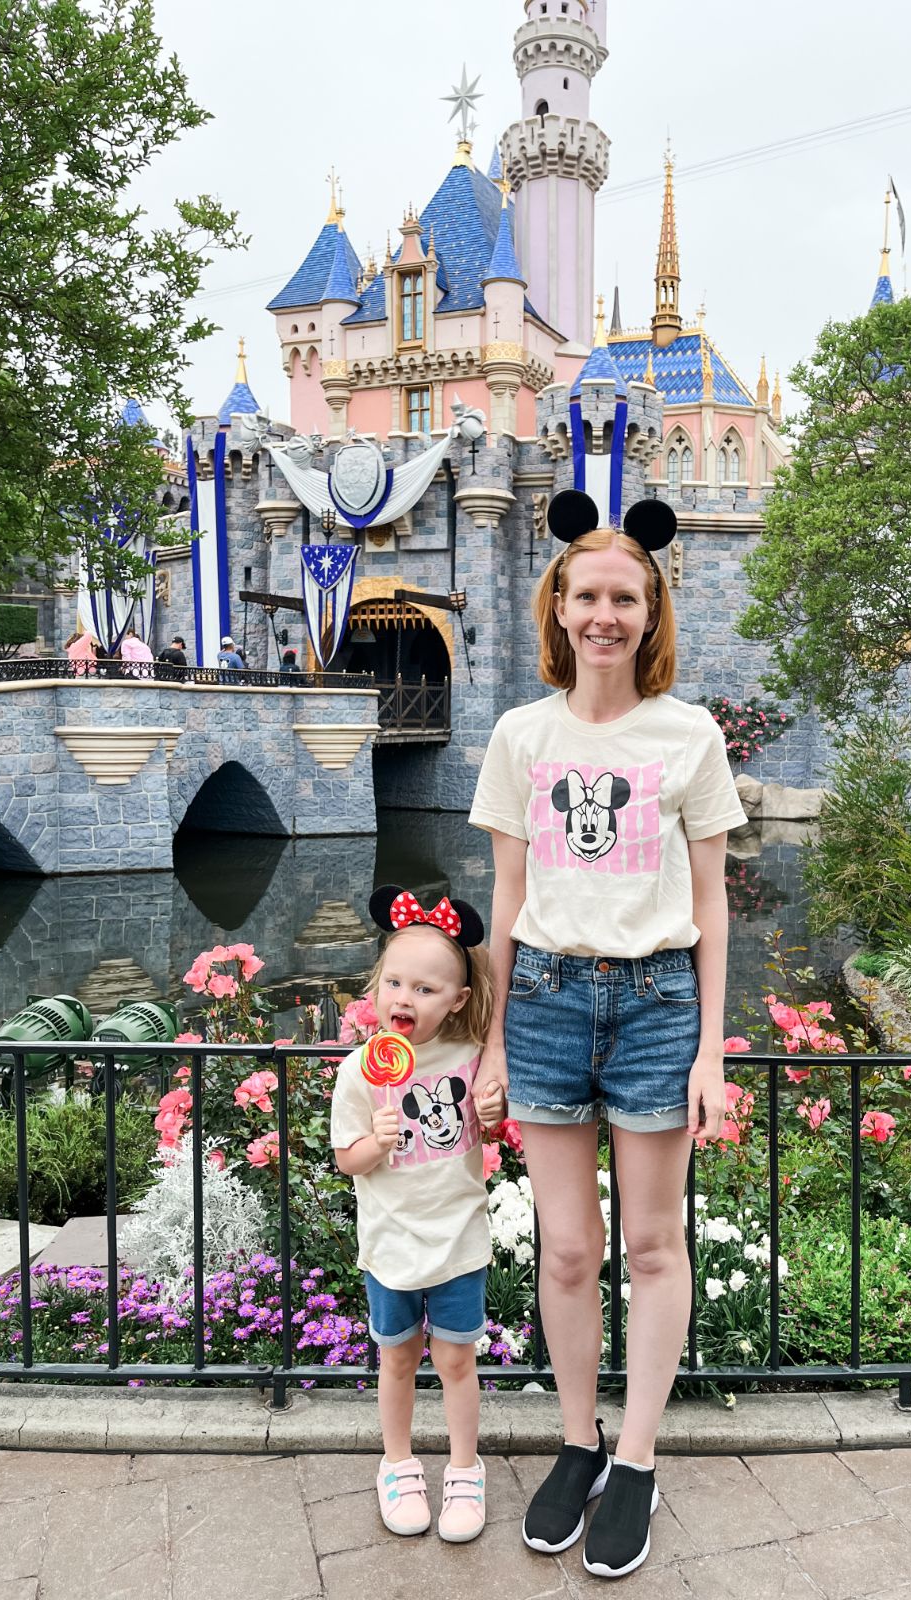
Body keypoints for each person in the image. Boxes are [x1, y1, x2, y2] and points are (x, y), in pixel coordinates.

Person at [468, 489, 746, 1580]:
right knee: (569, 1247)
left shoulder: (688, 734)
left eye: (624, 596)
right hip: (540, 1000)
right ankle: (576, 1440)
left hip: (656, 1006)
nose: (604, 614)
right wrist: (490, 1041)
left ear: (651, 610)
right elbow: (505, 890)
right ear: (559, 604)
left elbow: (715, 901)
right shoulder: (520, 735)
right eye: (587, 594)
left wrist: (713, 1047)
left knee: (650, 1242)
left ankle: (636, 1456)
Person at [330, 885, 505, 1546]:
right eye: (395, 982)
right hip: (392, 1244)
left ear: (458, 1000)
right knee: (397, 1358)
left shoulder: (468, 1061)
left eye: (426, 989)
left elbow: (483, 1137)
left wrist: (490, 1116)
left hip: (459, 1240)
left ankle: (464, 1468)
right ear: (377, 986)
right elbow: (348, 1159)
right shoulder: (360, 1073)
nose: (405, 998)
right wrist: (376, 1140)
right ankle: (398, 1463)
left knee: (458, 1361)